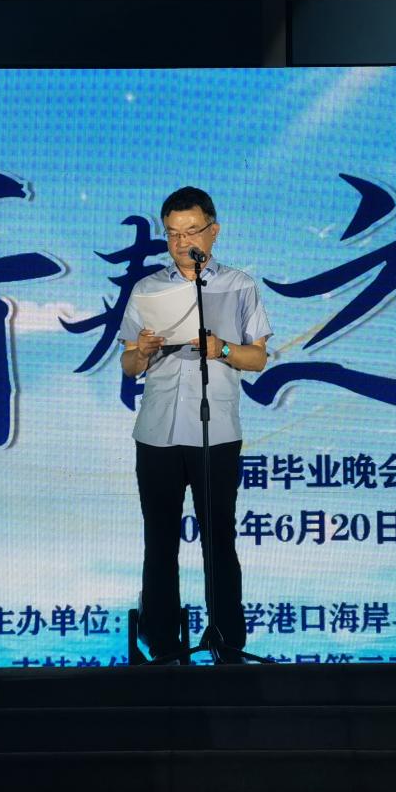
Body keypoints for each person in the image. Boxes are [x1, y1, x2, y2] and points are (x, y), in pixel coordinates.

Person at [119, 187, 271, 664]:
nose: (182, 242)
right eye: (172, 234)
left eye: (191, 231)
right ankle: (163, 643)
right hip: (157, 431)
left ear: (213, 231)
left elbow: (258, 358)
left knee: (218, 539)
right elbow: (127, 364)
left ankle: (227, 640)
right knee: (159, 540)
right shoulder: (148, 288)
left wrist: (221, 349)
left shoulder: (240, 286)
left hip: (215, 432)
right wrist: (143, 352)